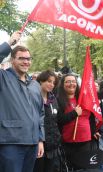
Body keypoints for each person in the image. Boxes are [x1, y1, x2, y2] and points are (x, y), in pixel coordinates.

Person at [0, 33, 44, 172]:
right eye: (21, 58)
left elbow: (40, 114)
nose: (26, 62)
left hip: (32, 143)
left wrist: (40, 139)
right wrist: (8, 44)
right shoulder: (4, 78)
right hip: (11, 143)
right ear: (12, 60)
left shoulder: (35, 84)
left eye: (28, 58)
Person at [57, 73, 97, 169]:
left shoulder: (83, 99)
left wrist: (94, 131)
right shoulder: (58, 100)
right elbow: (59, 120)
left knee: (84, 167)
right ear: (63, 84)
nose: (71, 84)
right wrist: (74, 113)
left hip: (85, 141)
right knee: (70, 167)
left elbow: (91, 118)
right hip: (68, 142)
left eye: (73, 81)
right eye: (68, 81)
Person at [33, 70, 61, 172]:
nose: (52, 85)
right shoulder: (33, 98)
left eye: (54, 83)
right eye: (49, 81)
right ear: (41, 81)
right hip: (39, 144)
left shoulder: (53, 99)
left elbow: (56, 120)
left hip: (53, 145)